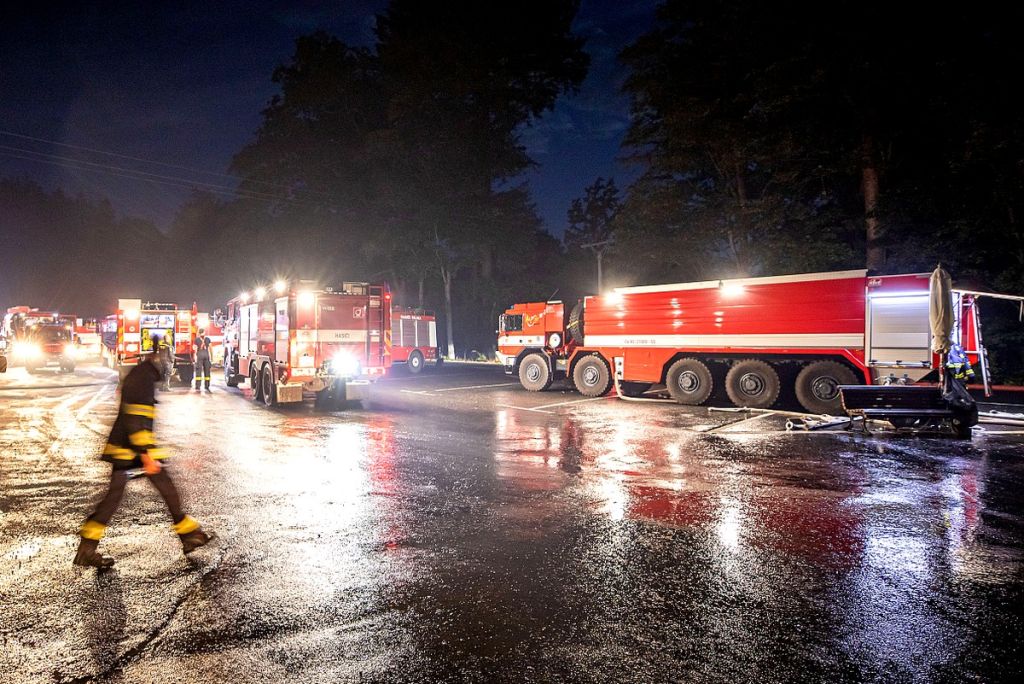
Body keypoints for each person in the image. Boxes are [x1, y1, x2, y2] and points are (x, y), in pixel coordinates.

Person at [74, 336, 211, 568]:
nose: (170, 367)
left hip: (132, 447)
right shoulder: (143, 378)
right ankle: (87, 548)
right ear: (158, 359)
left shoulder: (143, 374)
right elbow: (135, 419)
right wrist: (146, 455)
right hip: (129, 449)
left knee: (153, 491)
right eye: (168, 361)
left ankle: (189, 535)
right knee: (126, 497)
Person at [194, 328, 212, 392]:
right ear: (204, 332)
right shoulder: (208, 339)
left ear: (199, 332)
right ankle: (207, 386)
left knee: (198, 371)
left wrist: (195, 358)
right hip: (206, 356)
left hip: (199, 355)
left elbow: (195, 349)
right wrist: (211, 357)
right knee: (207, 371)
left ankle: (198, 386)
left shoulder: (196, 340)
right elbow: (210, 348)